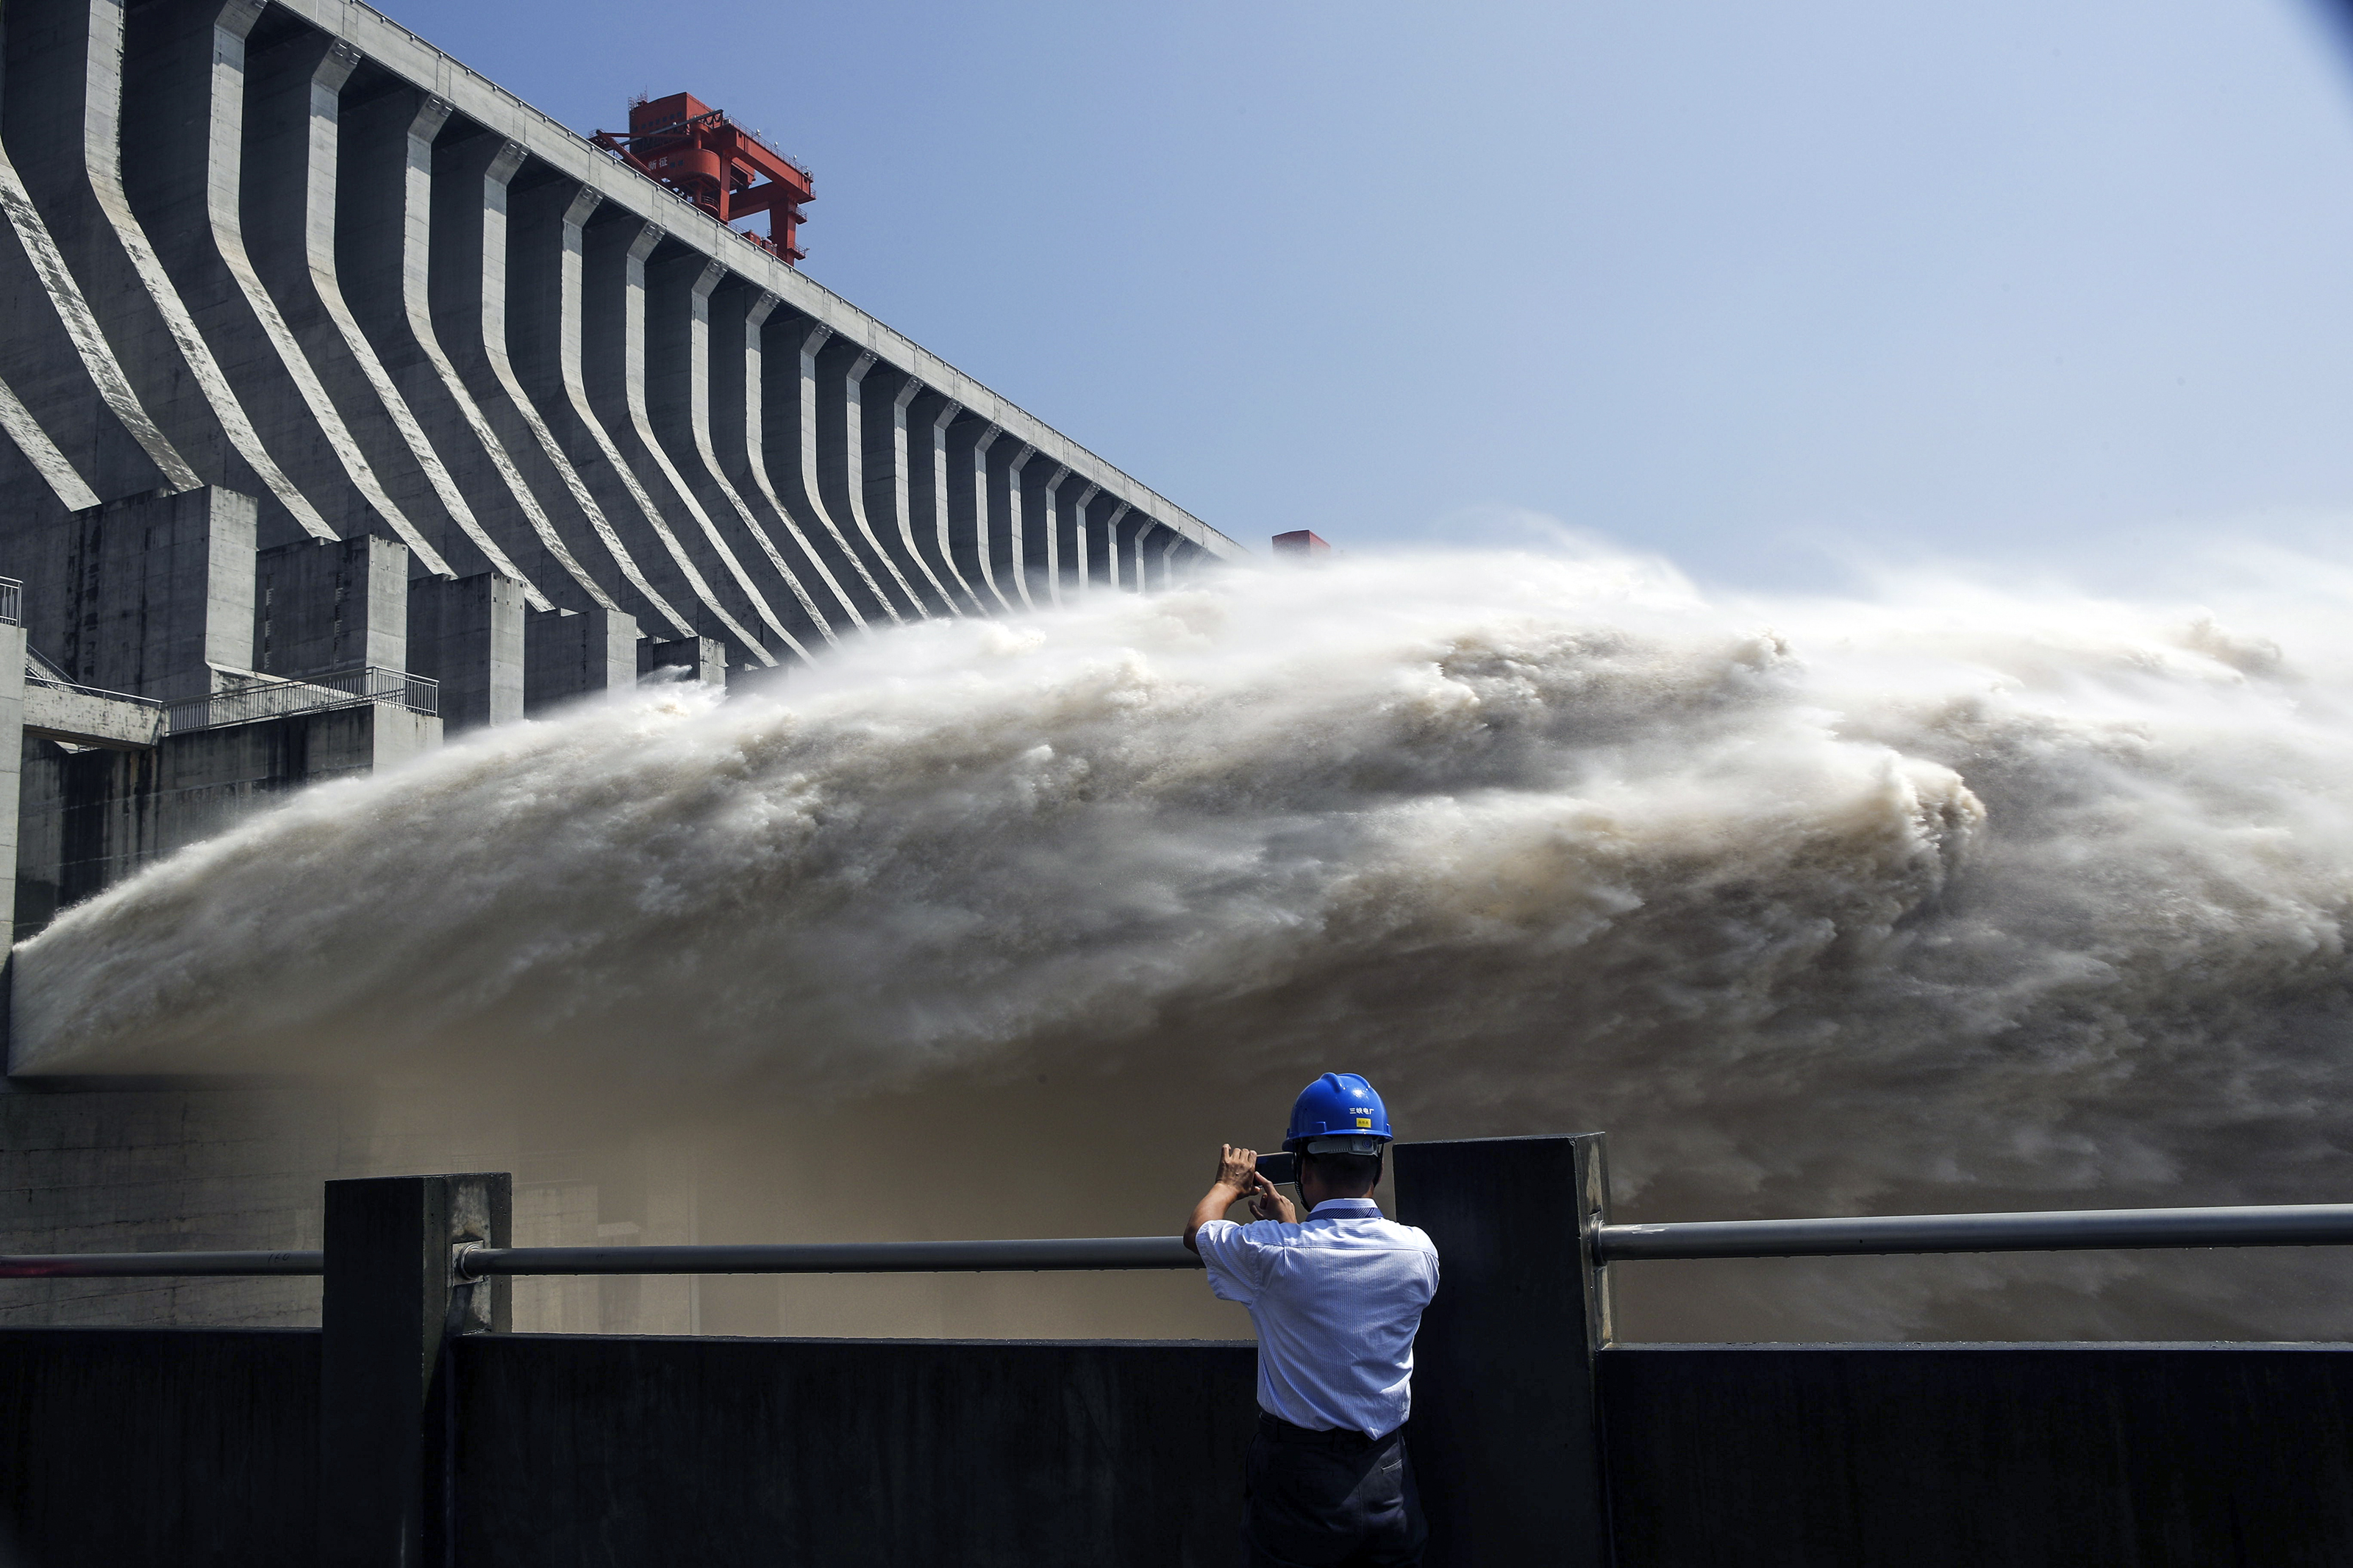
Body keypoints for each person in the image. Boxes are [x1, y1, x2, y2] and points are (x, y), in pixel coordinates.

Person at [1184, 1072, 1440, 1568]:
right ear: (1378, 1169)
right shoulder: (1418, 1249)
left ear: (1302, 1169)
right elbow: (1335, 1270)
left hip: (1298, 1478)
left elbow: (1200, 1231)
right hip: (1387, 1473)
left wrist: (1226, 1184)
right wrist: (1294, 1229)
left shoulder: (1273, 1255)